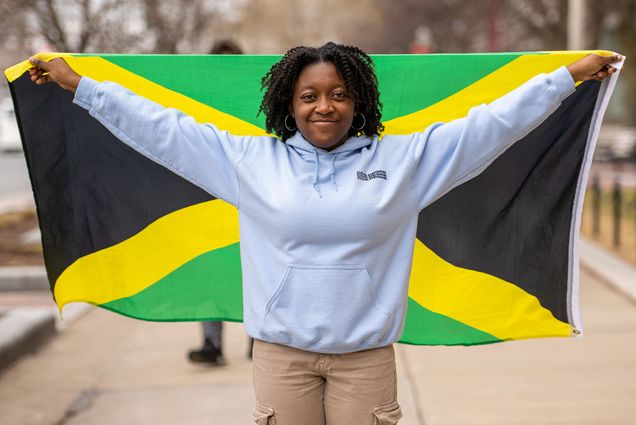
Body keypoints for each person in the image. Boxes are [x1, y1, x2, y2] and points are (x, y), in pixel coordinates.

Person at [28, 43, 620, 425]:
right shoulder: (249, 163)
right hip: (282, 358)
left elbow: (489, 125)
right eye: (309, 96)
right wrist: (81, 85)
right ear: (289, 104)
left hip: (365, 360)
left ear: (358, 101)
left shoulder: (407, 162)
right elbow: (162, 129)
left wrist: (565, 78)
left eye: (339, 94)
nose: (324, 107)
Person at [187, 38, 256, 366]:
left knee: (256, 270)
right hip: (209, 199)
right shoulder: (197, 102)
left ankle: (259, 337)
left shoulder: (255, 101)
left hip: (250, 198)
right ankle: (211, 344)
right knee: (211, 270)